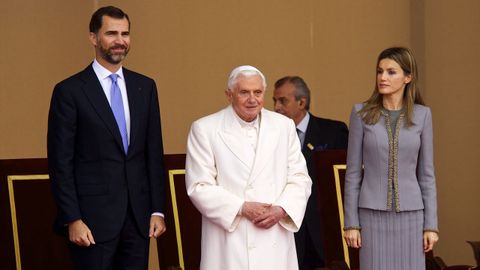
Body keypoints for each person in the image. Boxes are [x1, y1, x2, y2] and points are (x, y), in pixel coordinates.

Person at [47, 6, 166, 270]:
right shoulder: (70, 91)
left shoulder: (145, 87)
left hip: (138, 220)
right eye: (111, 33)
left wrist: (157, 210)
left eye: (125, 33)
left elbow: (153, 153)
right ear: (93, 38)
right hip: (91, 222)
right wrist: (72, 218)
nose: (120, 41)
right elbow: (60, 163)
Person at [185, 65, 312, 270]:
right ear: (229, 95)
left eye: (258, 92)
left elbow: (300, 177)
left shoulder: (283, 126)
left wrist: (281, 209)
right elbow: (199, 186)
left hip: (274, 238)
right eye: (244, 92)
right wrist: (242, 207)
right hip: (229, 241)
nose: (252, 99)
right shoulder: (205, 128)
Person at [343, 47, 439, 270]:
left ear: (408, 77)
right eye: (379, 71)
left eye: (391, 72)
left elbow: (427, 174)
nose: (383, 77)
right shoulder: (361, 114)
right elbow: (353, 173)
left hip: (412, 217)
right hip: (371, 216)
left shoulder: (423, 115)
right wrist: (351, 223)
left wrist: (431, 225)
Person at [273, 76, 348, 269]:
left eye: (283, 101)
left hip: (325, 231)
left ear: (301, 102)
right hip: (289, 231)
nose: (276, 107)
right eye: (274, 101)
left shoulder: (333, 131)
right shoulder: (271, 137)